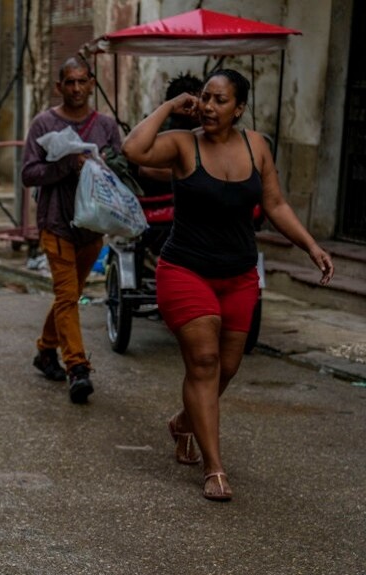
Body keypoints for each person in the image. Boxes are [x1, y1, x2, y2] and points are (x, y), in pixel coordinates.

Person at [123, 69, 334, 501]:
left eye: (220, 100)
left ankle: (184, 421)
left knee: (228, 367)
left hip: (239, 276)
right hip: (185, 271)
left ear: (239, 108)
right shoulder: (184, 144)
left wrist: (310, 246)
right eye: (205, 98)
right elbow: (133, 149)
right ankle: (214, 468)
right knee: (203, 361)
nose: (210, 106)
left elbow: (274, 203)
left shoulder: (257, 147)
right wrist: (168, 108)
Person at [22, 57, 123, 404]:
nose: (77, 89)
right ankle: (77, 367)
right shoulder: (43, 124)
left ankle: (45, 350)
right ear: (59, 86)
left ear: (92, 82)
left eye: (82, 81)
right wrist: (67, 164)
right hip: (56, 223)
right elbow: (29, 174)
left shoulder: (106, 126)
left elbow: (121, 166)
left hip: (93, 227)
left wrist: (105, 164)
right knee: (68, 297)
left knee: (69, 294)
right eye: (70, 82)